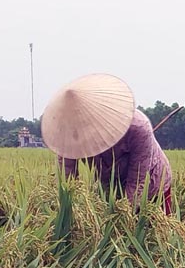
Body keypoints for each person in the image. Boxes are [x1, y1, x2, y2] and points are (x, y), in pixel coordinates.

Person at [41, 73, 173, 214]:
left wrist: (125, 214)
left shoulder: (137, 128)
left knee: (150, 228)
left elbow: (138, 179)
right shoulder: (69, 135)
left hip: (152, 183)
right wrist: (69, 211)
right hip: (110, 187)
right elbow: (68, 178)